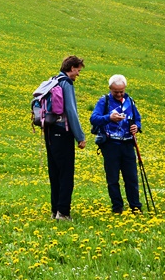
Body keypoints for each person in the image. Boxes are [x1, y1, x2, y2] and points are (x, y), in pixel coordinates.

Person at [90, 74, 143, 214]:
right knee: (113, 178)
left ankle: (135, 206)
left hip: (127, 144)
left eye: (121, 91)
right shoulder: (104, 101)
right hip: (110, 144)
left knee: (131, 177)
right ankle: (117, 207)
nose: (119, 94)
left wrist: (136, 127)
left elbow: (137, 119)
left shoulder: (130, 101)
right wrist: (109, 118)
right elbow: (94, 118)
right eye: (116, 92)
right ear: (110, 89)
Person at [44, 55, 87, 221]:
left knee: (54, 172)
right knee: (66, 174)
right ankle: (63, 212)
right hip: (63, 132)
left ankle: (55, 210)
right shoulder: (66, 84)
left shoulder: (53, 80)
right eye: (78, 70)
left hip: (49, 131)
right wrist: (80, 137)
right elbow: (71, 111)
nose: (78, 74)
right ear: (71, 68)